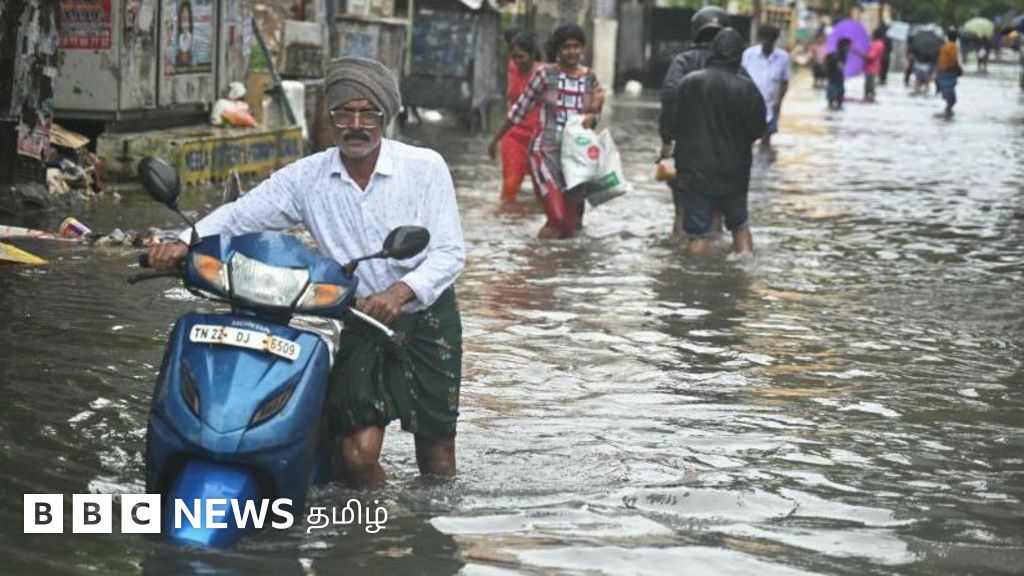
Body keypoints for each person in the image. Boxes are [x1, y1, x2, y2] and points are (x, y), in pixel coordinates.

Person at [147, 57, 467, 488]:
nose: (356, 125)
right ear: (330, 119)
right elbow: (241, 215)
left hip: (426, 317)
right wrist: (183, 242)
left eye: (368, 113)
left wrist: (400, 291)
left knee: (437, 454)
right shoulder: (307, 177)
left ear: (385, 117)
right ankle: (377, 520)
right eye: (344, 114)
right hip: (361, 317)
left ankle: (425, 525)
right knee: (356, 456)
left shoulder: (425, 167)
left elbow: (449, 252)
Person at [488, 24, 604, 239]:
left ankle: (541, 256)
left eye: (576, 46)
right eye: (566, 47)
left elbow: (593, 117)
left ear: (583, 48)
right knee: (558, 218)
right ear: (558, 50)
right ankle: (534, 253)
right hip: (544, 153)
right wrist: (496, 139)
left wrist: (593, 115)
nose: (572, 52)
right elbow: (520, 109)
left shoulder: (590, 77)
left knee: (569, 227)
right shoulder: (545, 74)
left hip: (574, 157)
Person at [670, 28, 766, 256]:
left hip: (696, 170)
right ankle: (744, 271)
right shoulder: (748, 88)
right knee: (740, 226)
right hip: (735, 171)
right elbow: (758, 130)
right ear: (739, 56)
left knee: (698, 235)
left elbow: (674, 123)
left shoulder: (689, 83)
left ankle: (694, 275)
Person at [659, 6, 728, 238]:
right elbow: (751, 105)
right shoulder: (734, 65)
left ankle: (679, 255)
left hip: (687, 147)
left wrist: (667, 138)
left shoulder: (683, 61)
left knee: (681, 210)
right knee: (716, 213)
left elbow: (670, 96)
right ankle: (714, 256)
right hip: (723, 151)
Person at [497, 32, 543, 204]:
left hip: (538, 138)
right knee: (510, 186)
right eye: (514, 56)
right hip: (513, 134)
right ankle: (508, 217)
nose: (518, 61)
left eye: (521, 57)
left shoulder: (544, 74)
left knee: (543, 190)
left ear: (532, 54)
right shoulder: (512, 68)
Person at [742, 24, 790, 148]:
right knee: (746, 138)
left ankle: (765, 159)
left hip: (771, 105)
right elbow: (740, 78)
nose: (767, 42)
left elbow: (784, 82)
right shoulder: (749, 55)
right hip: (749, 104)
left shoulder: (783, 57)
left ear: (775, 40)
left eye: (771, 40)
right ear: (760, 39)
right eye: (765, 39)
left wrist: (779, 102)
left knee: (766, 139)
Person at [936, 28, 962, 119]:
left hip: (942, 73)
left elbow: (939, 60)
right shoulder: (953, 47)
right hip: (949, 73)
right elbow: (954, 60)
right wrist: (959, 69)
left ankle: (947, 113)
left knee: (949, 98)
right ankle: (947, 113)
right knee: (952, 99)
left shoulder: (944, 46)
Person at [825, 38, 850, 110]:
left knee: (833, 90)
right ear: (844, 46)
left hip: (833, 75)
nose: (849, 48)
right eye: (848, 46)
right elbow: (839, 65)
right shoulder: (840, 54)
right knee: (837, 90)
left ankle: (832, 105)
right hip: (835, 75)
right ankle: (837, 104)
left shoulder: (835, 53)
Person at [862, 29, 886, 103]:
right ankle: (868, 97)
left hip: (872, 67)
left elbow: (871, 56)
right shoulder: (877, 43)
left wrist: (861, 54)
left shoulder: (877, 44)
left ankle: (870, 97)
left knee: (870, 84)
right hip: (871, 67)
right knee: (868, 83)